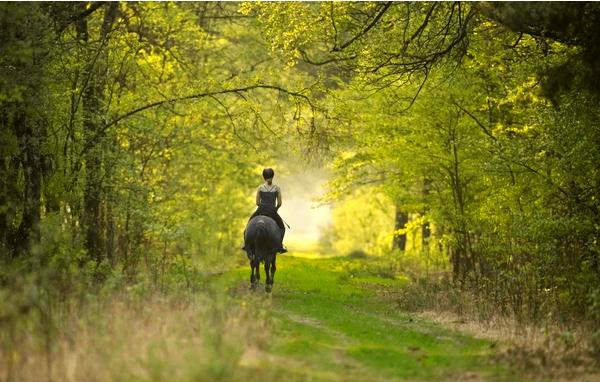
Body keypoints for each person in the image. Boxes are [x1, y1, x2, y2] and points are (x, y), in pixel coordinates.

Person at [243, 168, 287, 253]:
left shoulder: (260, 188)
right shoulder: (277, 188)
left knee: (248, 225)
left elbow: (257, 202)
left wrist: (262, 207)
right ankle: (280, 246)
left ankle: (245, 244)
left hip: (261, 210)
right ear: (273, 176)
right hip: (272, 211)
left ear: (264, 177)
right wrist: (275, 209)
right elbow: (280, 203)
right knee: (282, 227)